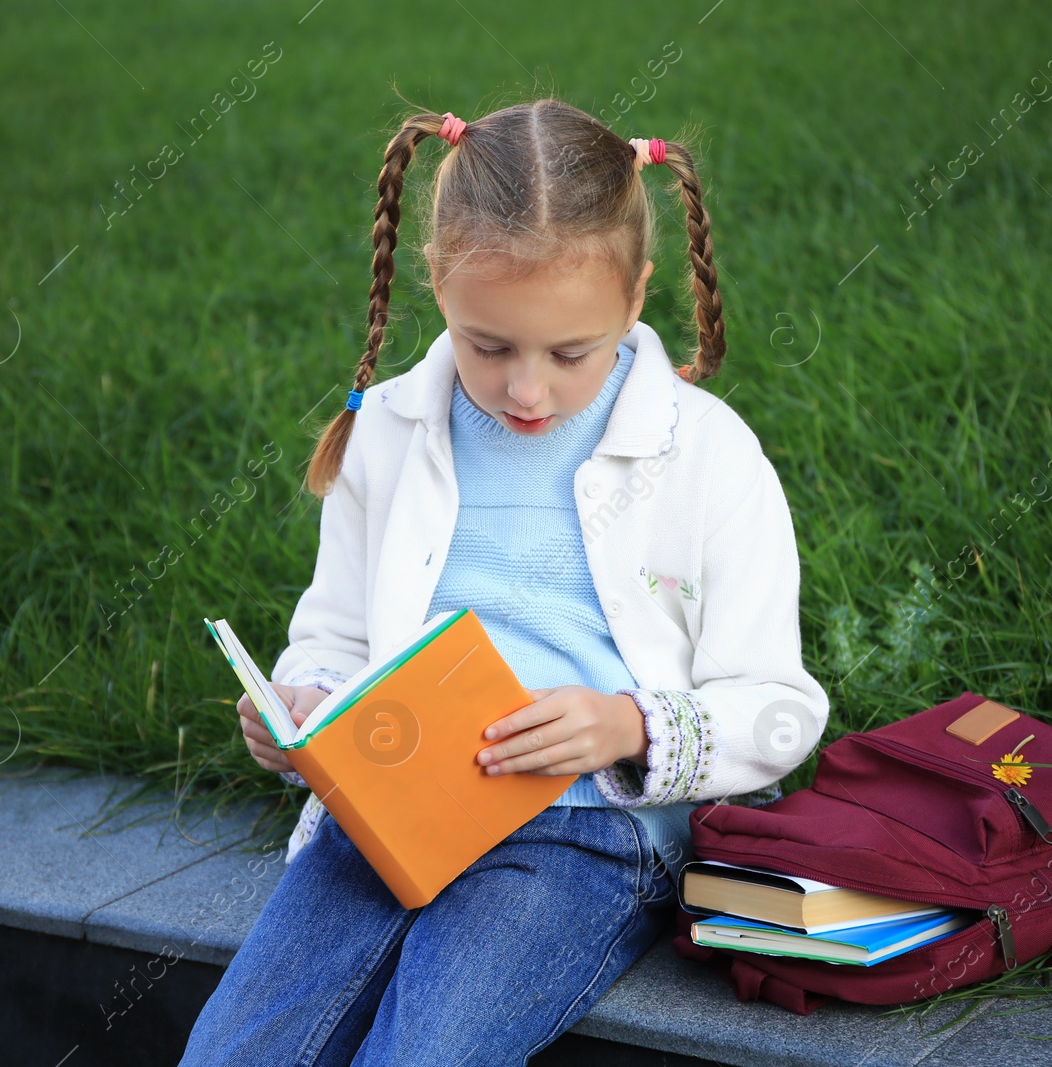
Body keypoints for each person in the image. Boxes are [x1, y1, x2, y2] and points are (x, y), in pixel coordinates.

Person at [179, 97, 829, 1066]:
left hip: (585, 830)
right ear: (437, 281)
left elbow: (778, 707)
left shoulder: (707, 455)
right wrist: (302, 703)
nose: (527, 390)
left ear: (638, 293)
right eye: (490, 346)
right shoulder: (393, 431)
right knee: (233, 1052)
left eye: (570, 352)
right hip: (396, 811)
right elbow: (335, 634)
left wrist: (629, 724)